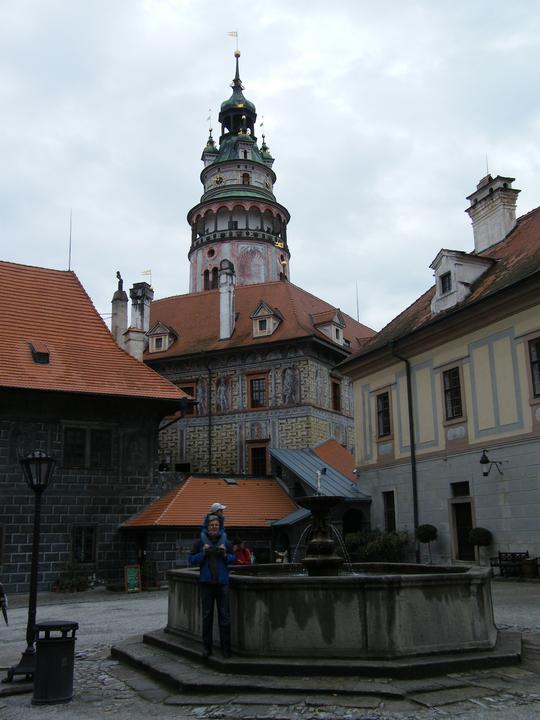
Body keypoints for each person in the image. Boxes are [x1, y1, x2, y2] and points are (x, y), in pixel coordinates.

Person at [189, 514, 235, 658]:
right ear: (207, 526)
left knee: (225, 617)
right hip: (206, 584)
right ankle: (207, 648)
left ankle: (226, 649)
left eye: (216, 525)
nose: (214, 527)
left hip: (222, 584)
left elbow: (233, 558)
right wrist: (202, 554)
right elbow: (191, 559)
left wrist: (226, 554)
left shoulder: (226, 541)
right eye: (211, 525)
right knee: (206, 617)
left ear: (220, 526)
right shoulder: (199, 542)